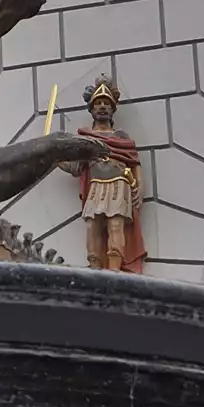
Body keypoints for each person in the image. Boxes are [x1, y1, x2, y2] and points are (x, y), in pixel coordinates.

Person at [76, 75, 145, 272]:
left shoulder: (121, 137)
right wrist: (51, 154)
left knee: (115, 226)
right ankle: (94, 267)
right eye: (98, 103)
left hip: (119, 184)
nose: (102, 107)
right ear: (91, 109)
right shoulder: (86, 139)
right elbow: (75, 166)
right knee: (92, 226)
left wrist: (140, 187)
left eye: (106, 103)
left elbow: (134, 162)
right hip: (96, 185)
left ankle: (115, 270)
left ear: (113, 109)